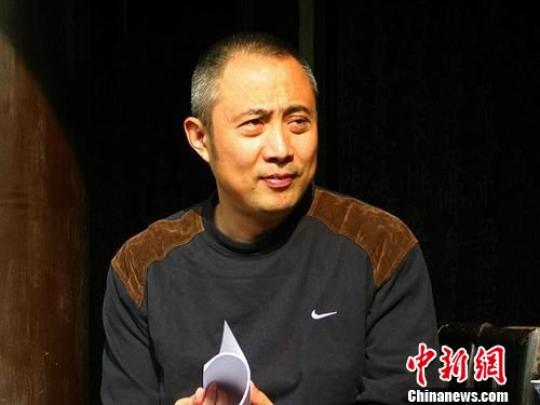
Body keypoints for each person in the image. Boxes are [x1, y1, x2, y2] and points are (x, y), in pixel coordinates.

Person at [101, 32, 441, 404]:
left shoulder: (380, 246)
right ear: (200, 138)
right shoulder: (142, 267)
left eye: (298, 122)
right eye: (254, 124)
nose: (281, 149)